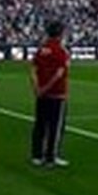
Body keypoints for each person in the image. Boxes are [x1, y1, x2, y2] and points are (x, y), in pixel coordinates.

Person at [29, 21, 70, 168]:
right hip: (56, 94)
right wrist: (45, 88)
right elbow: (59, 74)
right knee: (55, 127)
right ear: (60, 34)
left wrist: (37, 89)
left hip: (41, 95)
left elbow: (32, 69)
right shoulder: (61, 51)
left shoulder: (41, 50)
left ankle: (37, 155)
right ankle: (51, 157)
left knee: (40, 124)